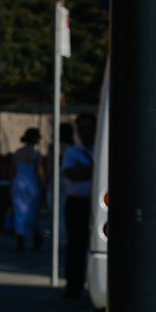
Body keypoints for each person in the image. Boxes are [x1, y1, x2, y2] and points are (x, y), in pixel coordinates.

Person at [61, 112, 96, 299]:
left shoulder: (101, 149)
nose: (86, 132)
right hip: (76, 204)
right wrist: (92, 171)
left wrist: (83, 169)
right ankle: (74, 285)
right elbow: (69, 173)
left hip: (96, 204)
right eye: (82, 129)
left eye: (89, 128)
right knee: (75, 246)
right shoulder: (72, 152)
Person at [8, 128, 47, 254]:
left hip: (18, 185)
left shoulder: (17, 153)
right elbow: (39, 173)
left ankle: (20, 239)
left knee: (19, 213)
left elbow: (13, 173)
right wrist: (44, 186)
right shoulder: (36, 154)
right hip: (32, 185)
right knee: (33, 213)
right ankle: (36, 236)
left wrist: (10, 188)